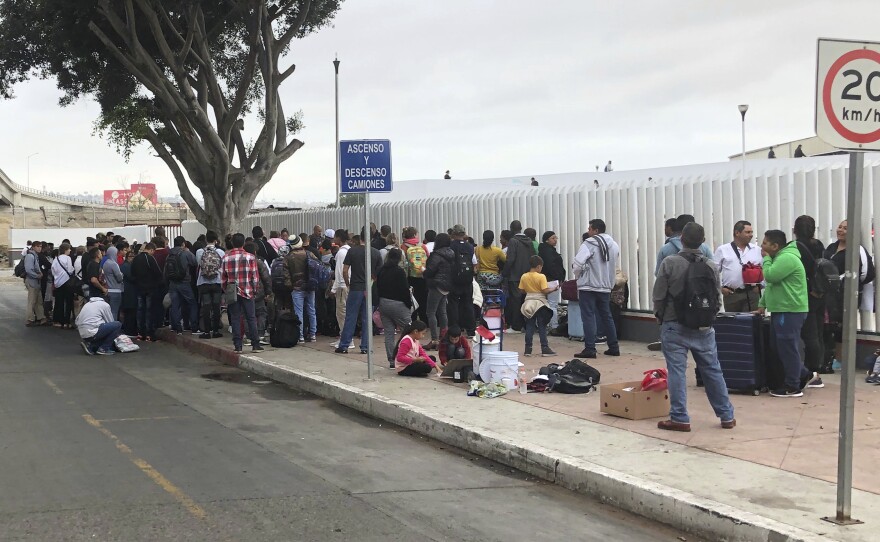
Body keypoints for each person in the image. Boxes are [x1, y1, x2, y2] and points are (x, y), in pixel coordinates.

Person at [652, 222, 736, 432]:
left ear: (682, 239)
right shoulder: (710, 265)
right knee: (713, 370)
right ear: (703, 241)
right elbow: (716, 296)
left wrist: (660, 318)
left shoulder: (670, 263)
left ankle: (680, 417)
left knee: (677, 371)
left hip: (674, 324)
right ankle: (727, 415)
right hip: (704, 327)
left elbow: (659, 295)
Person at [755, 230, 822, 397]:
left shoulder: (786, 258)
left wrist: (766, 258)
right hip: (781, 308)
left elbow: (770, 277)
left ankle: (793, 385)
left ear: (775, 246)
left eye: (764, 243)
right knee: (778, 346)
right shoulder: (779, 258)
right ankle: (804, 374)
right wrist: (762, 304)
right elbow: (772, 286)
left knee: (787, 347)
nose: (761, 246)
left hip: (790, 310)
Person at [822, 219, 870, 371]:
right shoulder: (831, 247)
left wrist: (848, 283)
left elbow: (867, 273)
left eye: (845, 228)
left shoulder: (857, 249)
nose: (840, 230)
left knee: (842, 327)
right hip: (828, 296)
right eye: (839, 227)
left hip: (845, 296)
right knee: (828, 327)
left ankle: (841, 359)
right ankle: (827, 359)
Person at [572, 219, 621, 359]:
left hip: (588, 285)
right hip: (605, 285)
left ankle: (590, 348)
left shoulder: (588, 244)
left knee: (588, 316)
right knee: (607, 316)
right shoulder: (614, 245)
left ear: (595, 231)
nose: (588, 231)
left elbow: (578, 264)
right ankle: (614, 347)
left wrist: (578, 276)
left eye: (590, 229)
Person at [335, 234, 382, 354]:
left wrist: (348, 284)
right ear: (371, 239)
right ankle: (365, 347)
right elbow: (379, 273)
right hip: (369, 288)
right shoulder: (376, 253)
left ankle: (344, 345)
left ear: (360, 238)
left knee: (350, 317)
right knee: (367, 318)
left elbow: (345, 270)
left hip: (355, 287)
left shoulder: (352, 251)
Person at [792, 215, 827, 374]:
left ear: (794, 230)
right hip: (820, 293)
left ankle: (811, 370)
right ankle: (818, 366)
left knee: (809, 334)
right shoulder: (819, 245)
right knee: (818, 332)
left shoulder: (794, 247)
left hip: (804, 293)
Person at [222, 233, 263, 353]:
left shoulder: (226, 258)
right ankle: (255, 344)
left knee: (235, 318)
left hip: (233, 291)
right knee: (251, 318)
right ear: (243, 243)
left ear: (232, 243)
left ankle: (238, 346)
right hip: (247, 291)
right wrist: (255, 290)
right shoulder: (250, 257)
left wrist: (227, 290)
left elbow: (223, 278)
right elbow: (255, 277)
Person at [713, 220, 762, 312]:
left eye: (751, 232)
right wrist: (720, 288)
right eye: (747, 232)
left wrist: (761, 286)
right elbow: (713, 272)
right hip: (731, 294)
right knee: (733, 323)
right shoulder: (723, 250)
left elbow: (766, 269)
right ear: (737, 233)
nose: (751, 235)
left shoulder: (757, 250)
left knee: (751, 322)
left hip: (752, 294)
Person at [377, 248, 413, 367]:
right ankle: (406, 356)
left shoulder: (381, 270)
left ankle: (392, 360)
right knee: (408, 331)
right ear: (400, 258)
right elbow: (404, 290)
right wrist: (408, 304)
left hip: (383, 303)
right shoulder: (399, 272)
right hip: (399, 304)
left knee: (389, 333)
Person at [519, 255, 557, 357]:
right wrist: (554, 289)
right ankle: (545, 348)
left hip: (528, 302)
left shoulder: (524, 276)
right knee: (542, 326)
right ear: (539, 266)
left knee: (529, 326)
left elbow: (521, 290)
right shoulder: (541, 276)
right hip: (540, 302)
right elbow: (545, 290)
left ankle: (528, 349)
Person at [283, 235, 319, 342]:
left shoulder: (288, 257)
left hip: (297, 288)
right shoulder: (309, 254)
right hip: (310, 286)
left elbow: (286, 275)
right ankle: (313, 334)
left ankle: (300, 336)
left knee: (299, 312)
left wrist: (290, 286)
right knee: (311, 310)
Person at [502, 220, 536, 333]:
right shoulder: (529, 241)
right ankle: (527, 325)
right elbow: (533, 258)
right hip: (527, 275)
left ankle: (516, 326)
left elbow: (510, 259)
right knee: (525, 300)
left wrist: (505, 272)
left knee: (515, 301)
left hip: (515, 276)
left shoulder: (513, 241)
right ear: (521, 228)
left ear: (512, 229)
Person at [423, 233, 454, 350]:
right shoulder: (452, 253)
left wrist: (424, 272)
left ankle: (435, 339)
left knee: (431, 312)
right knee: (442, 312)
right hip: (447, 286)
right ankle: (443, 338)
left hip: (436, 285)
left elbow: (430, 271)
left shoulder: (436, 255)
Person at [447, 224, 476, 337]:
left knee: (453, 304)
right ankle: (471, 330)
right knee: (468, 303)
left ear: (453, 234)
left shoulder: (450, 246)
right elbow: (474, 263)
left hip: (454, 279)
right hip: (468, 279)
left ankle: (455, 329)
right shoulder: (470, 246)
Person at [195, 231, 225, 339]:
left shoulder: (199, 252)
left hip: (203, 282)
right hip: (217, 281)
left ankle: (206, 332)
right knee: (216, 306)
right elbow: (222, 266)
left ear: (206, 240)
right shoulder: (220, 252)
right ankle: (216, 330)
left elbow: (199, 264)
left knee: (206, 306)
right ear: (216, 240)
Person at [166, 236, 199, 333]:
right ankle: (194, 327)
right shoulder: (185, 253)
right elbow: (195, 262)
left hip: (172, 283)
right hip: (184, 282)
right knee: (192, 303)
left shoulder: (169, 255)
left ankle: (177, 328)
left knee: (175, 305)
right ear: (183, 244)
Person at [131, 243, 163, 342]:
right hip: (150, 289)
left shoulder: (135, 259)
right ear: (151, 250)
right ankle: (149, 334)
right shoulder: (150, 259)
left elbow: (132, 273)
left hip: (139, 288)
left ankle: (141, 333)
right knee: (149, 311)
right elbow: (158, 273)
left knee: (140, 310)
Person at [401, 227, 429, 322]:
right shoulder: (422, 246)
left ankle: (412, 319)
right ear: (414, 235)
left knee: (411, 298)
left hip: (409, 277)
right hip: (422, 276)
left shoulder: (403, 247)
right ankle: (424, 319)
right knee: (423, 298)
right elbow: (428, 258)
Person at [538, 231, 565, 330]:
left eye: (556, 238)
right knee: (552, 304)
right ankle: (554, 326)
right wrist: (559, 278)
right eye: (553, 238)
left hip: (546, 279)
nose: (555, 240)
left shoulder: (545, 250)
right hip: (552, 280)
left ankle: (543, 324)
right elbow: (552, 267)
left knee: (545, 303)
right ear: (547, 240)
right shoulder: (549, 252)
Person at [330, 229, 351, 346]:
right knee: (347, 313)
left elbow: (339, 272)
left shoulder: (340, 253)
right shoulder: (350, 250)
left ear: (339, 238)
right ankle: (345, 337)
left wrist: (334, 289)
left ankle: (345, 339)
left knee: (341, 314)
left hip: (342, 286)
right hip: (348, 286)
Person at [50, 243, 76, 329]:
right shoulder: (67, 258)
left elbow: (53, 271)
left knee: (59, 302)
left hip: (58, 282)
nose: (70, 250)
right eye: (69, 249)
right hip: (67, 282)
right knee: (68, 302)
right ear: (65, 250)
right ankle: (66, 322)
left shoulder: (56, 259)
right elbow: (70, 269)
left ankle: (58, 320)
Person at [24, 241, 48, 326]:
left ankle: (41, 317)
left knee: (39, 300)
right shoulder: (30, 256)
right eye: (38, 246)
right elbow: (29, 270)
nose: (39, 248)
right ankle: (29, 319)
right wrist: (37, 275)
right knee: (32, 301)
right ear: (33, 247)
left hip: (36, 281)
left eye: (40, 246)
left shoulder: (34, 255)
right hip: (32, 281)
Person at [101, 245, 124, 321]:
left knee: (109, 312)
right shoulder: (114, 264)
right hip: (116, 290)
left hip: (108, 290)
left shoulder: (105, 263)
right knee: (114, 311)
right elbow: (119, 278)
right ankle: (113, 329)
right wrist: (122, 274)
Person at [120, 250, 139, 336]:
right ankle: (129, 330)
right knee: (130, 312)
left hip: (129, 291)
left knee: (130, 312)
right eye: (132, 257)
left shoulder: (127, 266)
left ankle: (129, 329)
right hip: (129, 292)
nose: (133, 258)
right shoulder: (126, 266)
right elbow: (132, 277)